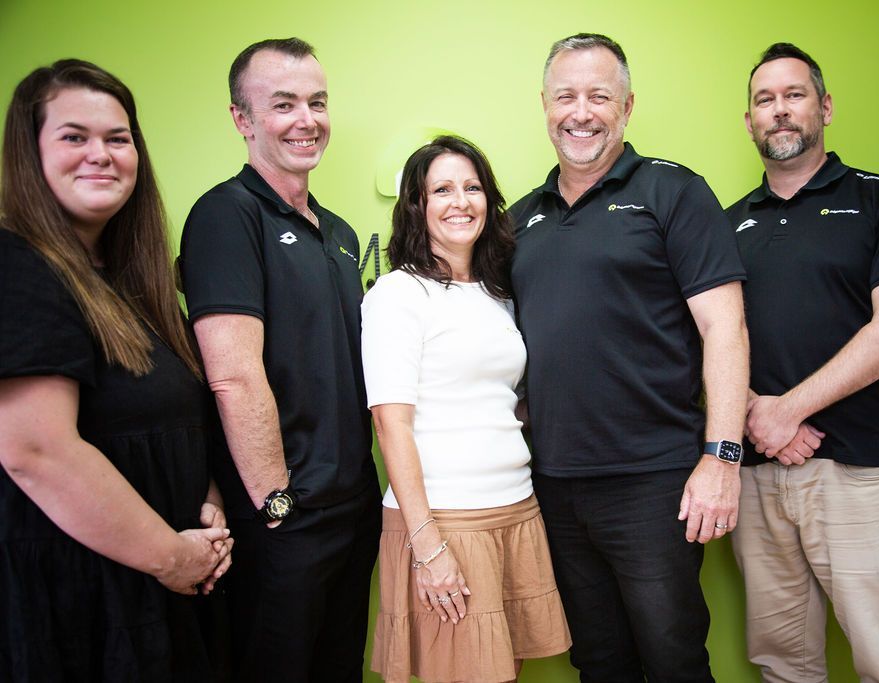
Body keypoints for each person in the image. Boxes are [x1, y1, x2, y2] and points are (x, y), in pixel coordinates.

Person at [511, 33, 749, 682]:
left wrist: (722, 457)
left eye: (599, 96)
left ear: (627, 106)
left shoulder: (673, 191)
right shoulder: (521, 218)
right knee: (597, 660)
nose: (581, 112)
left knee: (672, 658)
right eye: (566, 96)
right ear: (544, 105)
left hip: (653, 482)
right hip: (553, 483)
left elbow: (725, 328)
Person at [0, 59, 232, 682]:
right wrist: (171, 556)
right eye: (74, 137)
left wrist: (206, 500)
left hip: (160, 591)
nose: (99, 155)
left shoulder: (130, 281)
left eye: (117, 138)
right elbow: (35, 452)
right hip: (85, 601)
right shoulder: (18, 267)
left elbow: (170, 417)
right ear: (29, 153)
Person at [726, 42, 879, 682]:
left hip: (859, 469)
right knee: (782, 662)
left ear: (824, 107)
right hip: (758, 476)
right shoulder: (727, 223)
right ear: (748, 120)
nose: (779, 110)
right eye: (765, 99)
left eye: (794, 95)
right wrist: (755, 415)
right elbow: (706, 341)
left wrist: (786, 411)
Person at [178, 38, 380, 681]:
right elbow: (233, 376)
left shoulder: (341, 234)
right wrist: (275, 504)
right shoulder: (225, 216)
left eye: (317, 102)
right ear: (242, 119)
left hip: (353, 508)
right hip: (284, 518)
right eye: (284, 104)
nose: (306, 120)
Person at [362, 135, 571, 683]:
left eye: (472, 188)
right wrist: (427, 544)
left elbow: (500, 400)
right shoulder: (398, 294)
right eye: (442, 190)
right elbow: (389, 423)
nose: (460, 202)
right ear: (416, 205)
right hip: (446, 519)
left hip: (516, 508)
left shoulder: (497, 293)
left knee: (509, 672)